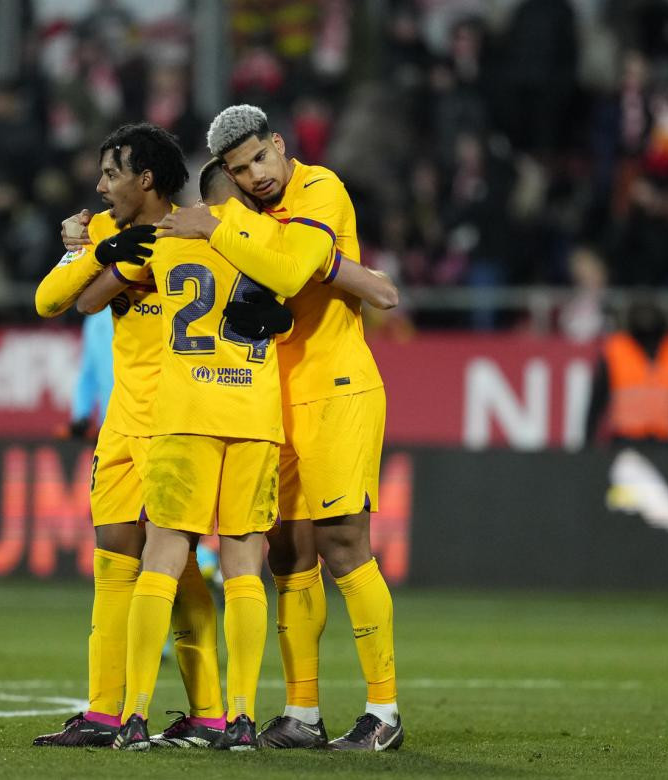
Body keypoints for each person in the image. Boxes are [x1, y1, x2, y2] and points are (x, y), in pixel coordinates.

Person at [156, 104, 403, 751]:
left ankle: (384, 712)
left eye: (260, 159)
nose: (255, 176)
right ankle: (304, 714)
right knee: (288, 552)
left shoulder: (320, 188)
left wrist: (217, 228)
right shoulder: (247, 218)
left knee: (344, 543)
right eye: (239, 171)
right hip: (272, 398)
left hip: (336, 388)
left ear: (279, 145)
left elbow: (292, 272)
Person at [76, 157, 293, 751]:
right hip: (253, 416)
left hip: (183, 417)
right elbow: (298, 291)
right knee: (245, 565)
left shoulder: (165, 240)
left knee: (162, 558)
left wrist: (88, 243)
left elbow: (88, 300)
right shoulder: (274, 239)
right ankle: (243, 719)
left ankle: (134, 716)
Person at [31, 124, 225, 748]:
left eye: (111, 172)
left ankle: (211, 712)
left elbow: (87, 303)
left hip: (176, 420)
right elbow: (51, 300)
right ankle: (103, 711)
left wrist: (101, 252)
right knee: (113, 560)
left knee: (178, 568)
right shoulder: (111, 236)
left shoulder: (194, 232)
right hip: (122, 422)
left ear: (145, 178)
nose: (99, 184)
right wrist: (91, 250)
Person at [585, 297, 668, 447]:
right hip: (624, 441)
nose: (646, 318)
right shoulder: (615, 349)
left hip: (664, 442)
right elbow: (597, 401)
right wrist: (588, 442)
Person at [66, 308, 114, 439]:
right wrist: (81, 415)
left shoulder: (152, 307)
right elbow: (88, 373)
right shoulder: (96, 317)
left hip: (150, 422)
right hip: (110, 426)